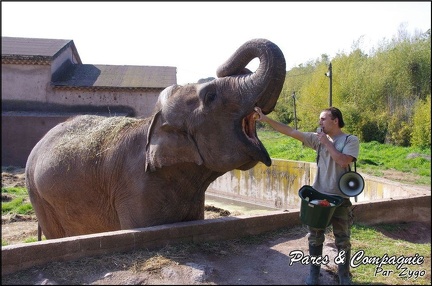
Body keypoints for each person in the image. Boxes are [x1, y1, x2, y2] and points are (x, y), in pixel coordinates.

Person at [254, 106, 359, 285]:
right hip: (319, 197)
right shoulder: (317, 139)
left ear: (335, 121)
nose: (320, 122)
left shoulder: (350, 140)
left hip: (340, 199)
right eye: (320, 119)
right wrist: (266, 120)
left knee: (343, 239)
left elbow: (342, 161)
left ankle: (343, 275)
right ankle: (314, 274)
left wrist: (326, 142)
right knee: (315, 236)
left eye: (323, 119)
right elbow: (291, 131)